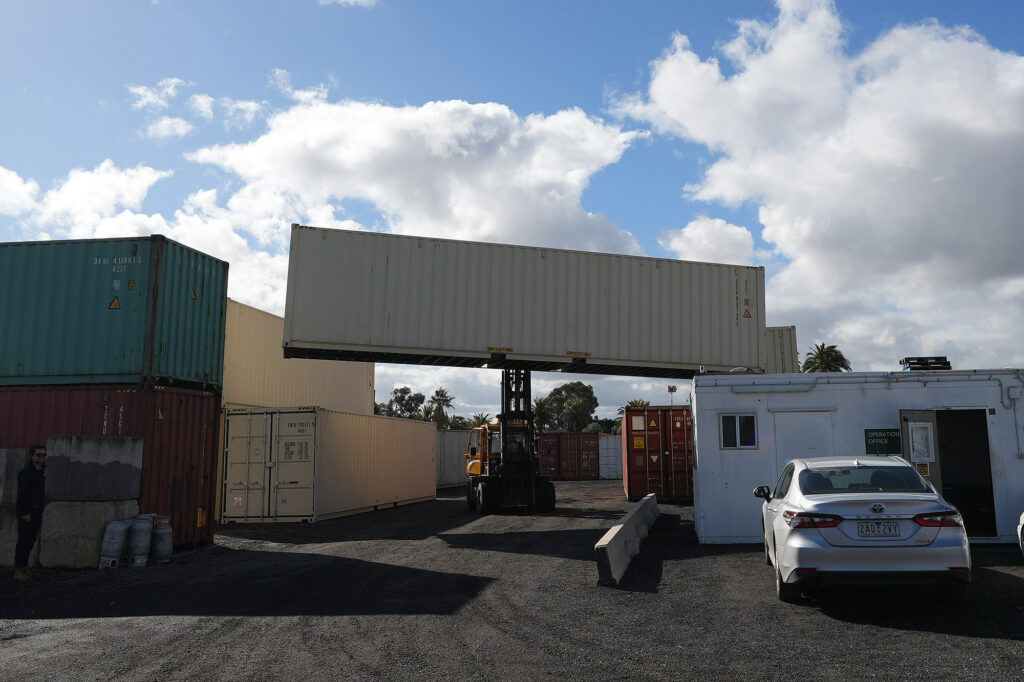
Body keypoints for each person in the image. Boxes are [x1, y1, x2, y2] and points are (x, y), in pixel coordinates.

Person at [14, 444, 46, 583]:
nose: (41, 457)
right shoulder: (27, 473)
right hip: (28, 514)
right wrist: (25, 513)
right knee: (23, 541)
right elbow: (22, 495)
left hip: (36, 513)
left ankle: (24, 568)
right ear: (32, 456)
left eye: (43, 455)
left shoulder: (39, 472)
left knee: (30, 541)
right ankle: (19, 571)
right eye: (38, 455)